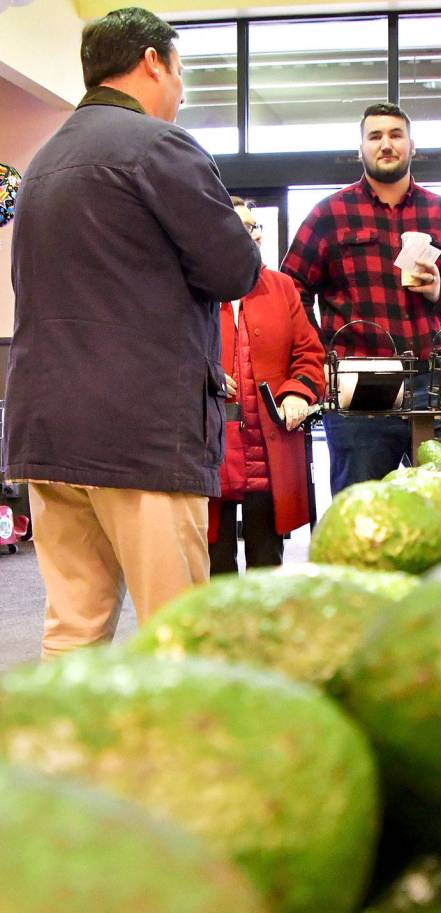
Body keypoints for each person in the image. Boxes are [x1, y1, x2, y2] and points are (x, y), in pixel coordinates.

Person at [1, 7, 262, 658]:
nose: (180, 89)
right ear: (153, 61)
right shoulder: (158, 145)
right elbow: (234, 270)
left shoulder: (44, 163)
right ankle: (180, 760)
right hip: (139, 434)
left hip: (47, 428)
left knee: (74, 629)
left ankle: (67, 759)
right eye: (180, 72)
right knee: (178, 634)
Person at [281, 102, 441, 495]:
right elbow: (290, 290)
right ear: (360, 148)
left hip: (437, 381)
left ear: (412, 146)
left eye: (395, 135)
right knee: (363, 508)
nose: (386, 144)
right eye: (375, 136)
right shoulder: (330, 214)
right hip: (360, 383)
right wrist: (318, 355)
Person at [207, 198, 325, 574]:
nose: (254, 234)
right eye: (244, 226)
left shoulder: (282, 287)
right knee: (215, 567)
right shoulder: (194, 287)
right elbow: (168, 353)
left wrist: (297, 390)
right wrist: (201, 371)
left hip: (270, 452)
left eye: (255, 227)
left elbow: (309, 353)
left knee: (266, 566)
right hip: (212, 452)